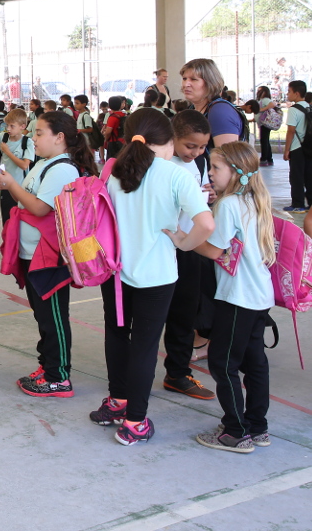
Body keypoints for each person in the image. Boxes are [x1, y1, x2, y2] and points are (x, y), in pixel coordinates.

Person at [92, 109, 213, 445]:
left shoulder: (113, 169)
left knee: (117, 336)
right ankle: (135, 422)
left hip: (115, 273)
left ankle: (118, 401)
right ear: (168, 141)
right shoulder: (175, 176)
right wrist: (183, 243)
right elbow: (206, 224)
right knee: (145, 347)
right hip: (156, 277)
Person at [166, 142, 275, 454]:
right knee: (255, 363)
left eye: (215, 168)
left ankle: (235, 431)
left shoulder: (229, 206)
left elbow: (214, 249)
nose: (210, 173)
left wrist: (183, 239)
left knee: (222, 363)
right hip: (259, 295)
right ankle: (257, 426)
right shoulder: (253, 198)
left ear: (236, 172)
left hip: (237, 297)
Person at [0, 111, 94, 398]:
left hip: (48, 256)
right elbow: (30, 199)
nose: (34, 138)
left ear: (59, 137)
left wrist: (11, 185)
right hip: (33, 253)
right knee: (43, 314)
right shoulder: (45, 164)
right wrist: (8, 185)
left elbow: (39, 208)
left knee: (53, 316)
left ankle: (59, 376)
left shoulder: (63, 169)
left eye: (39, 133)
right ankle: (48, 365)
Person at [160, 110, 216, 401]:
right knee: (154, 314)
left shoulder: (199, 162)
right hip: (161, 247)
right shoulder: (161, 163)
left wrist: (208, 194)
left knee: (184, 313)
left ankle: (178, 373)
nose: (195, 152)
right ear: (173, 138)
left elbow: (197, 200)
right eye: (189, 146)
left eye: (202, 146)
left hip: (189, 247)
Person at [0, 108, 33, 225]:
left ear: (22, 126)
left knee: (21, 219)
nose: (8, 129)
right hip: (5, 185)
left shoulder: (27, 142)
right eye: (7, 126)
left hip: (21, 186)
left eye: (12, 126)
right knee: (7, 219)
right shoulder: (3, 137)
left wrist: (8, 152)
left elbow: (24, 165)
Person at [282, 80, 310, 212]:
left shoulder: (294, 109)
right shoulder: (309, 107)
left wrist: (287, 150)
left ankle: (298, 204)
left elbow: (291, 131)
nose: (287, 94)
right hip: (309, 146)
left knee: (296, 176)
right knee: (308, 175)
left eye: (289, 91)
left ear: (296, 93)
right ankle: (310, 203)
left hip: (297, 147)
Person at [255, 86, 274, 166]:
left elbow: (272, 105)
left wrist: (260, 110)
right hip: (262, 123)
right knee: (265, 140)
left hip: (265, 124)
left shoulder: (266, 100)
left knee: (264, 141)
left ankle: (264, 158)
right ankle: (269, 158)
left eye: (260, 91)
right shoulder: (261, 100)